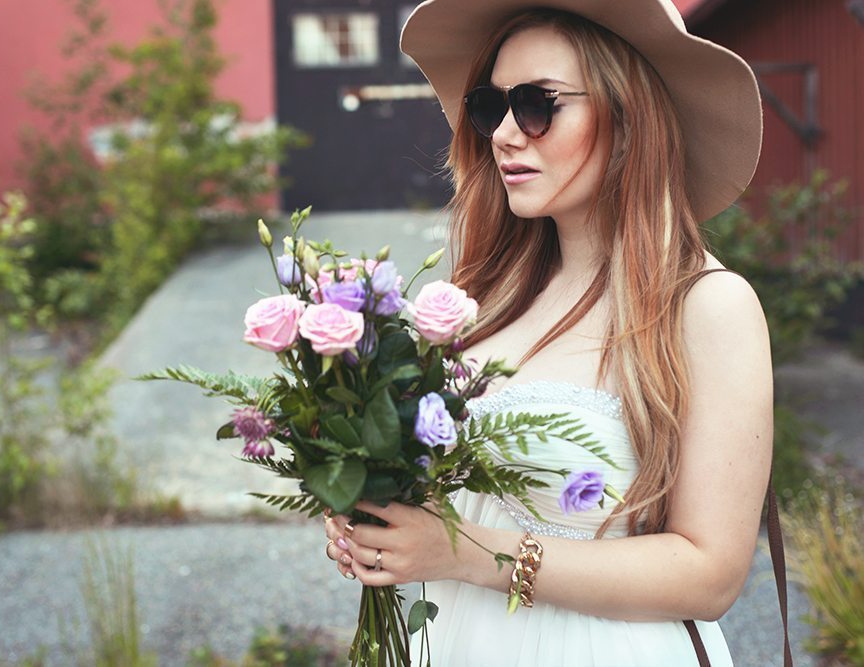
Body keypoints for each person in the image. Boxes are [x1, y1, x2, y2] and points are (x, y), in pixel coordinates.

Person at [323, 0, 773, 664]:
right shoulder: (487, 291)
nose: (504, 133)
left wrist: (467, 553)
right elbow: (452, 499)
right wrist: (375, 515)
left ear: (627, 117)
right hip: (453, 639)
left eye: (537, 104)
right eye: (490, 106)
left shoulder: (707, 305)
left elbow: (710, 574)